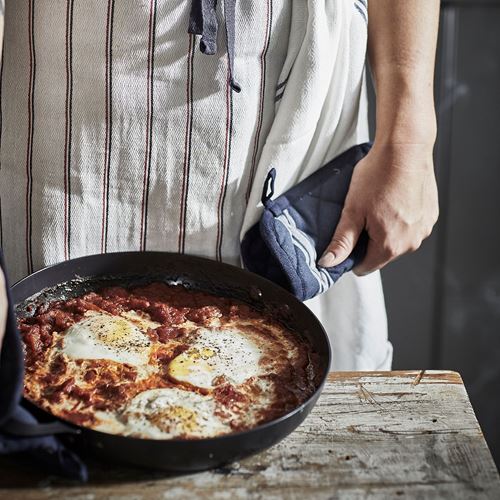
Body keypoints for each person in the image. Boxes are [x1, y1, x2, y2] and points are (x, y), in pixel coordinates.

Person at [0, 0, 439, 370]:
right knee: (54, 370)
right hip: (75, 98)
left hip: (301, 97)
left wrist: (410, 140)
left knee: (303, 389)